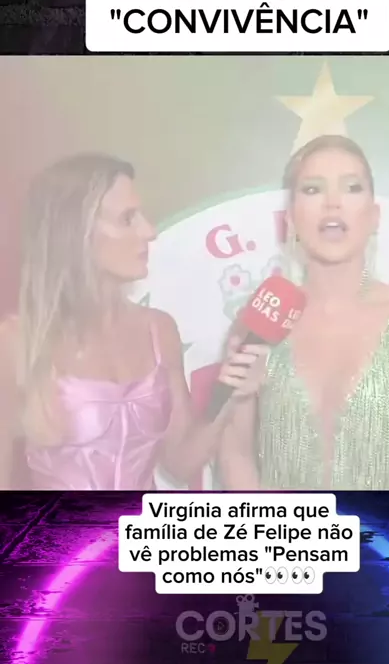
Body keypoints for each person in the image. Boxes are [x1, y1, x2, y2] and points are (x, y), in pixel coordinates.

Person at [218, 135, 389, 491]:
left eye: (352, 187)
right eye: (312, 189)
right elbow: (235, 452)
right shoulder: (259, 323)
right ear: (290, 219)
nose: (333, 203)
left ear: (374, 217)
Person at [0, 152, 263, 490]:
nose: (149, 231)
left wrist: (230, 392)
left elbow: (181, 462)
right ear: (76, 232)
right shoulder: (15, 342)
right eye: (128, 219)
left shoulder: (159, 331)